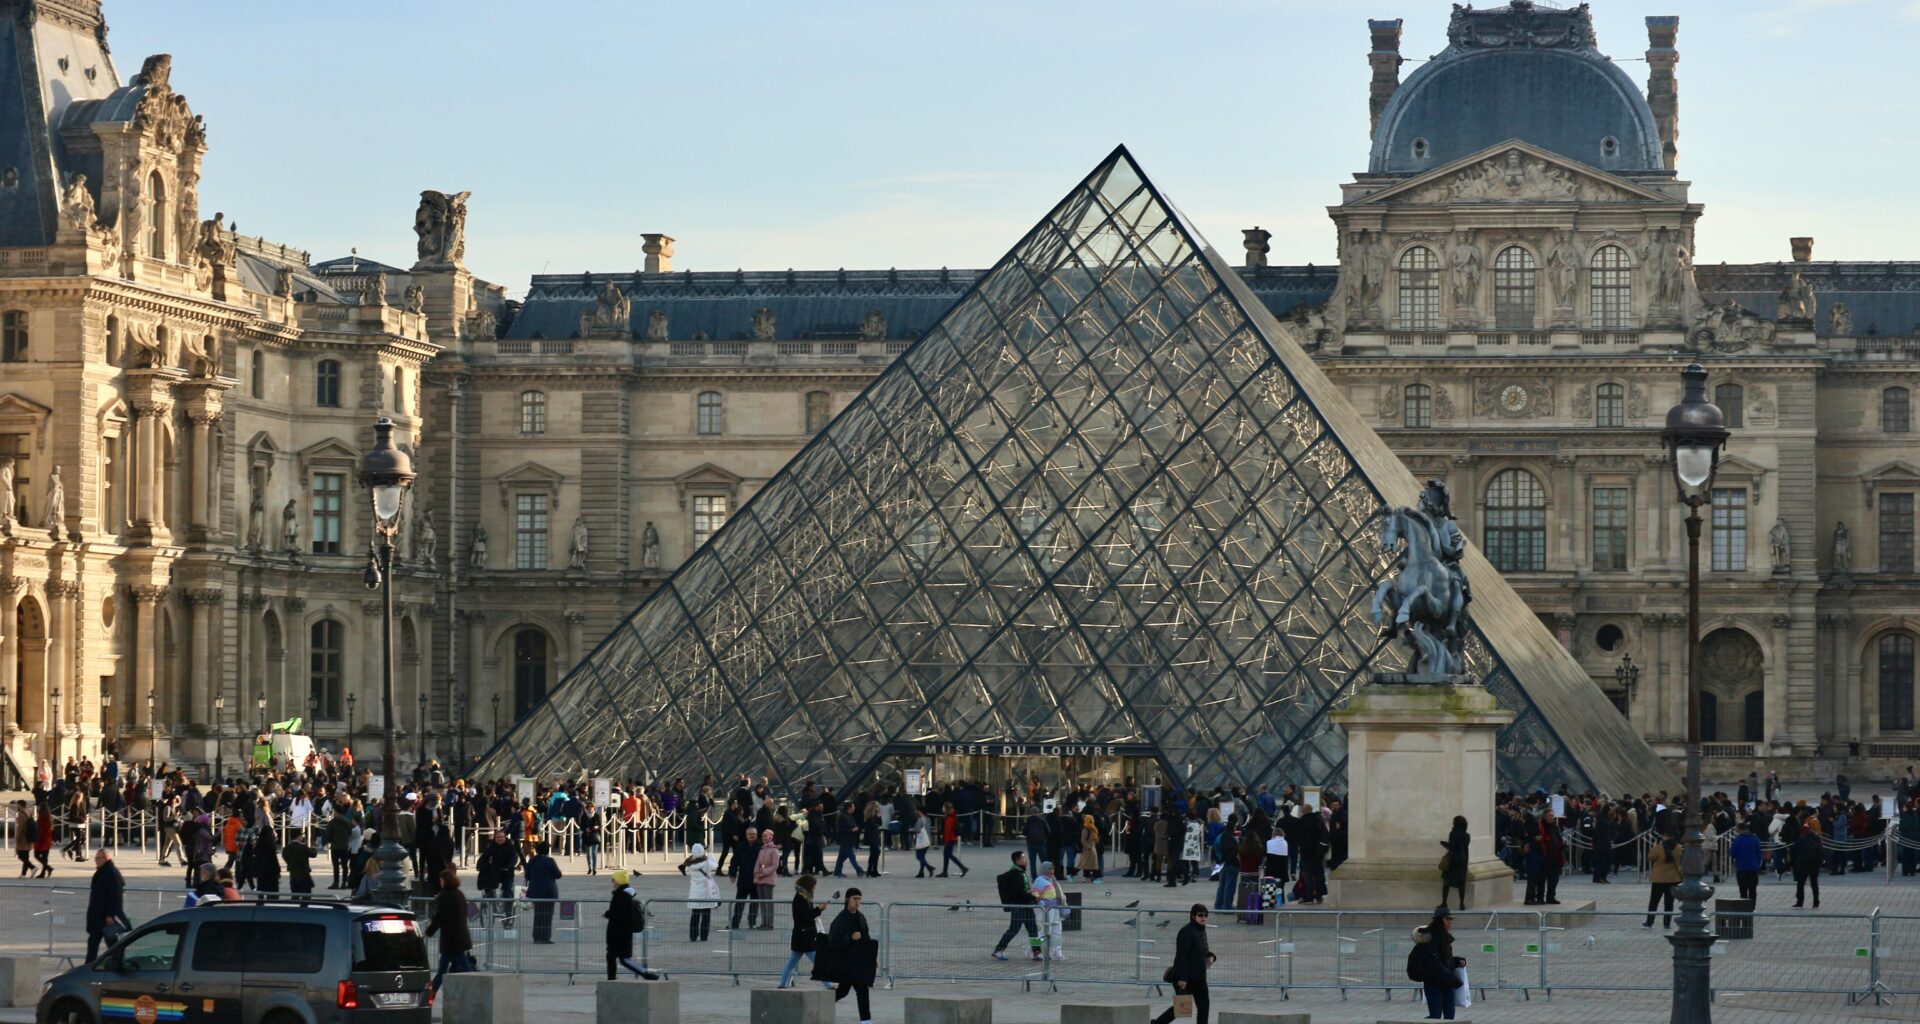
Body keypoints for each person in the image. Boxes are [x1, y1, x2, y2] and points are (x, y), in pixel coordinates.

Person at [813, 888, 878, 1024]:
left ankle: (866, 1021)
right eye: (855, 898)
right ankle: (819, 1006)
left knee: (860, 989)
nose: (858, 902)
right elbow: (833, 940)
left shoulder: (861, 917)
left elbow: (866, 938)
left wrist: (872, 957)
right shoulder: (841, 919)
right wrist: (850, 937)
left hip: (857, 962)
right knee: (844, 991)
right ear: (847, 900)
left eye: (859, 899)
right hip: (845, 962)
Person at [1152, 905, 1215, 1024]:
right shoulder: (1186, 932)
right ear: (1193, 916)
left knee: (1204, 1006)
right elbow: (1181, 955)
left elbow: (1201, 950)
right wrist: (1182, 978)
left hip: (1199, 977)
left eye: (1205, 915)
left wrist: (1211, 957)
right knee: (1181, 1009)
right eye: (1200, 915)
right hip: (1186, 978)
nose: (1203, 918)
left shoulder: (1202, 930)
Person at [423, 868, 475, 998]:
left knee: (459, 968)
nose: (440, 882)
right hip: (459, 937)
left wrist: (428, 932)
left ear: (445, 881)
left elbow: (439, 917)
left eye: (441, 880)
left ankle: (430, 994)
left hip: (452, 939)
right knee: (445, 969)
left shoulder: (445, 896)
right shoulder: (459, 894)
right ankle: (430, 993)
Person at [603, 869, 658, 980]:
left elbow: (620, 915)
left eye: (613, 880)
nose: (612, 882)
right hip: (621, 933)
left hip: (619, 933)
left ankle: (644, 974)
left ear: (619, 881)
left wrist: (608, 914)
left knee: (621, 958)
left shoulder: (621, 896)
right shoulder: (623, 894)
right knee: (616, 957)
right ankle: (612, 979)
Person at [1411, 905, 1464, 1021]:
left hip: (1446, 982)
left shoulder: (1444, 936)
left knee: (1450, 1016)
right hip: (1434, 984)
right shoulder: (1430, 938)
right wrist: (1451, 978)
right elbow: (1433, 963)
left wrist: (1457, 961)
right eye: (1447, 919)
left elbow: (1443, 959)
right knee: (1435, 1016)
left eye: (1451, 919)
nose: (1450, 922)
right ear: (1439, 920)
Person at [779, 874, 830, 989]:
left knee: (791, 962)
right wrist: (819, 909)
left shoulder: (803, 897)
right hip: (805, 937)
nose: (814, 888)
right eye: (813, 886)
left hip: (801, 936)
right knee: (818, 962)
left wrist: (817, 909)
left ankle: (782, 984)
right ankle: (828, 985)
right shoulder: (800, 898)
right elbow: (805, 917)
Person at [992, 850, 1041, 961]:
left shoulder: (1022, 872)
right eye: (1023, 858)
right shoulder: (1015, 874)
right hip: (1019, 906)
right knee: (1014, 929)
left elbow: (1025, 890)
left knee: (1033, 929)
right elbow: (1019, 892)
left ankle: (1037, 952)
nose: (1026, 860)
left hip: (1027, 905)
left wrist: (1032, 897)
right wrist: (1034, 898)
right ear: (1017, 860)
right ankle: (998, 950)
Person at [85, 848, 127, 963]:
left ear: (106, 858)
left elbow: (115, 895)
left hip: (104, 917)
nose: (95, 860)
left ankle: (119, 963)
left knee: (110, 943)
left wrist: (110, 914)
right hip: (99, 915)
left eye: (98, 858)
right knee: (97, 942)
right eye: (96, 858)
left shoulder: (111, 873)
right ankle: (90, 965)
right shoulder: (103, 872)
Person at [679, 842, 721, 941]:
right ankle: (704, 936)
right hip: (706, 893)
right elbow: (715, 865)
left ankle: (693, 936)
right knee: (706, 916)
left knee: (695, 916)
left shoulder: (690, 864)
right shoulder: (706, 863)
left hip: (695, 893)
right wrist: (710, 854)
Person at [524, 841, 563, 944]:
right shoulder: (550, 861)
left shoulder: (532, 861)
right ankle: (545, 937)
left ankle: (536, 936)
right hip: (549, 891)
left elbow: (527, 876)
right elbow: (558, 874)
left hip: (535, 892)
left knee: (538, 914)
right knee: (547, 915)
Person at [1031, 860, 1068, 961]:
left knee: (1057, 931)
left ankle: (1057, 952)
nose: (1051, 871)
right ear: (1044, 869)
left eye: (1052, 868)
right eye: (1049, 869)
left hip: (1056, 909)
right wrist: (1043, 905)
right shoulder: (1039, 880)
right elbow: (1035, 895)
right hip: (1046, 910)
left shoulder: (1053, 880)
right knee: (1044, 932)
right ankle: (1035, 949)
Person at [1643, 832, 1681, 928]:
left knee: (1654, 901)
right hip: (1672, 879)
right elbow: (1678, 864)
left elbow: (1650, 857)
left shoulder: (1659, 847)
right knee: (1669, 903)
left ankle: (1649, 922)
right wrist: (1681, 877)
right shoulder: (1678, 847)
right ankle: (1667, 923)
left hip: (1658, 879)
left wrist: (1655, 846)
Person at [1439, 815, 1470, 911]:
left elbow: (1451, 846)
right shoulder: (1467, 835)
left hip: (1453, 861)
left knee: (1446, 883)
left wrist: (1444, 844)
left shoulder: (1453, 833)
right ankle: (1461, 903)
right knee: (1461, 884)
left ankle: (1444, 902)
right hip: (1463, 861)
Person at [754, 828, 782, 931]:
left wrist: (764, 872)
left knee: (768, 902)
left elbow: (775, 865)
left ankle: (769, 923)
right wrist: (756, 872)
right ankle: (763, 922)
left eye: (766, 836)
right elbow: (758, 862)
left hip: (768, 878)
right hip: (760, 878)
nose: (764, 838)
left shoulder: (774, 850)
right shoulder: (762, 849)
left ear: (771, 837)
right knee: (762, 902)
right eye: (763, 836)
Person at [1792, 818, 1823, 909]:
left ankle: (1800, 902)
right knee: (1814, 883)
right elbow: (1821, 851)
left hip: (1804, 864)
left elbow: (1795, 848)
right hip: (1815, 864)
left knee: (1801, 883)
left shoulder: (1802, 838)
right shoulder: (1817, 838)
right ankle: (1816, 902)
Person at [1730, 822, 1764, 901]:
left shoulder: (1737, 840)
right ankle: (1752, 907)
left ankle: (1744, 908)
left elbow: (1732, 853)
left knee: (1743, 891)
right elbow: (1759, 854)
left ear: (1739, 830)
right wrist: (1758, 864)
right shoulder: (1755, 840)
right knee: (1753, 890)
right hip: (1753, 868)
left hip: (1742, 869)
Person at [939, 803, 968, 878]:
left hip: (950, 839)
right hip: (952, 838)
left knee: (948, 855)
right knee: (947, 855)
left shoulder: (949, 818)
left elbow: (947, 831)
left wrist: (945, 841)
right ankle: (945, 871)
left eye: (943, 807)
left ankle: (962, 867)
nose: (942, 809)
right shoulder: (952, 817)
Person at [912, 807, 935, 878]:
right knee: (922, 856)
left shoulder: (920, 819)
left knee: (919, 856)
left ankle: (929, 867)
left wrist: (913, 829)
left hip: (921, 840)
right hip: (928, 839)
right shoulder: (928, 819)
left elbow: (918, 830)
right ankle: (921, 872)